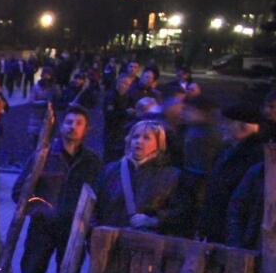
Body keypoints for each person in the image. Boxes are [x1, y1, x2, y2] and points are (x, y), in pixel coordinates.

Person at [15, 106, 103, 273]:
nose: (73, 126)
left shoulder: (92, 162)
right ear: (61, 126)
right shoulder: (43, 155)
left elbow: (99, 195)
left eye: (79, 123)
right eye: (69, 122)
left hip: (74, 230)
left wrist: (88, 224)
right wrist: (39, 209)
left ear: (86, 129)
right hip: (42, 228)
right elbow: (19, 191)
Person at [94, 119, 181, 232]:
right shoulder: (110, 170)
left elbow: (177, 212)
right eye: (135, 137)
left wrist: (154, 220)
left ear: (158, 144)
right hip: (107, 239)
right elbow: (94, 205)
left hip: (143, 243)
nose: (139, 141)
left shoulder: (170, 176)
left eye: (146, 138)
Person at [197, 103, 265, 243]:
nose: (221, 127)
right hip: (216, 232)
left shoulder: (257, 156)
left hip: (234, 237)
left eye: (227, 123)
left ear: (244, 126)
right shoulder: (226, 151)